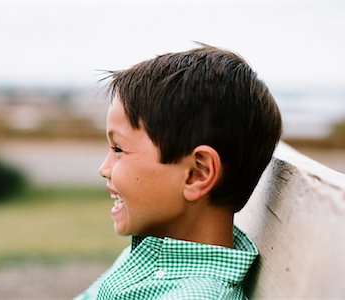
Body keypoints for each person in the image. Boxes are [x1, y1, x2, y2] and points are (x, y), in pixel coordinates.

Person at [74, 43, 282, 299]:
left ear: (197, 173)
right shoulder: (148, 255)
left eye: (118, 149)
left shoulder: (197, 296)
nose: (103, 169)